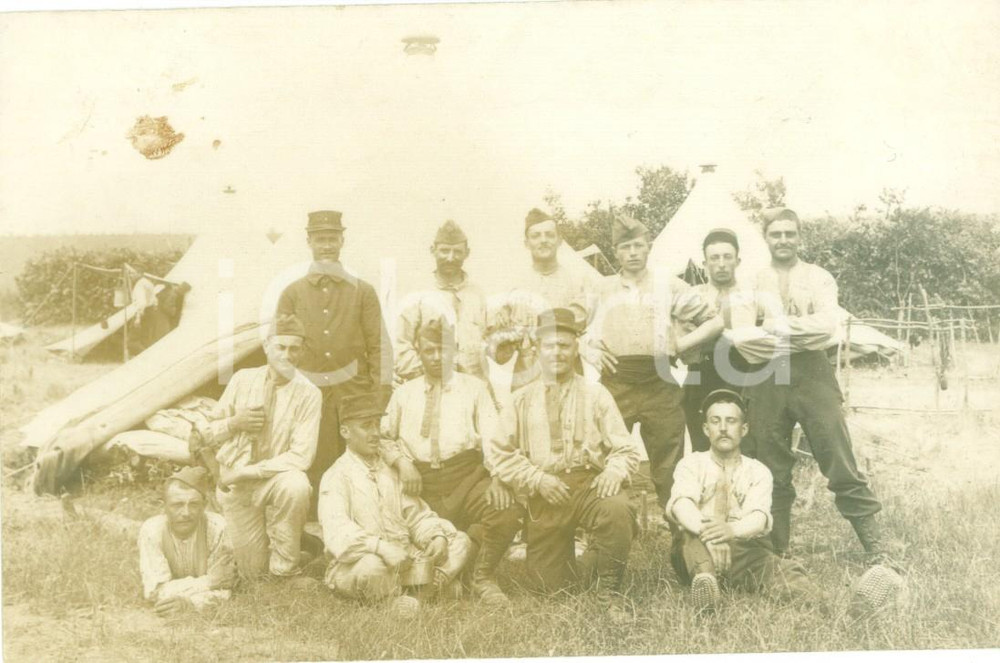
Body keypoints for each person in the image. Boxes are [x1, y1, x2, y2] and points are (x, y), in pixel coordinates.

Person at [727, 207, 886, 559]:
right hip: (765, 375)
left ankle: (877, 549)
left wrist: (773, 326)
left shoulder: (819, 278)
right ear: (766, 238)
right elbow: (743, 337)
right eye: (776, 234)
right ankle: (775, 552)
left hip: (813, 374)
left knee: (837, 455)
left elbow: (827, 327)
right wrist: (799, 333)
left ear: (800, 236)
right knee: (769, 464)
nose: (783, 240)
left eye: (790, 233)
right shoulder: (750, 281)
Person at [490, 308, 639, 614]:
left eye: (564, 345)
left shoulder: (596, 394)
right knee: (550, 589)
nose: (557, 352)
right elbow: (499, 453)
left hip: (589, 484)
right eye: (549, 345)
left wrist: (614, 470)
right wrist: (537, 479)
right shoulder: (520, 399)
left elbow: (626, 448)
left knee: (617, 509)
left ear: (575, 349)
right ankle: (592, 557)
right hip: (547, 490)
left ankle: (608, 589)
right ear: (537, 349)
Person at [382, 318, 524, 605]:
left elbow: (493, 439)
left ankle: (480, 576)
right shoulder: (403, 394)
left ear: (455, 349)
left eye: (443, 349)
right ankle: (435, 575)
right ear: (418, 353)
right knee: (398, 525)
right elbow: (383, 437)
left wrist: (498, 478)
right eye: (429, 350)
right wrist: (402, 463)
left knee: (505, 508)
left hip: (464, 477)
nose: (436, 357)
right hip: (418, 482)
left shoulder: (474, 388)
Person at [588, 213, 722, 509]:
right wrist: (589, 349)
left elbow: (714, 321)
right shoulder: (602, 288)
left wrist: (681, 344)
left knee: (669, 466)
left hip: (659, 381)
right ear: (615, 252)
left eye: (638, 245)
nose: (633, 253)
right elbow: (570, 326)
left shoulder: (668, 285)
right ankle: (613, 524)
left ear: (649, 247)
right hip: (615, 382)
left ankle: (678, 526)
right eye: (625, 247)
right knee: (606, 458)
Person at [276, 210, 393, 512]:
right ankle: (317, 527)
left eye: (332, 238)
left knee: (358, 466)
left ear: (342, 240)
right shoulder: (292, 293)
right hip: (310, 395)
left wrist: (380, 393)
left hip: (354, 392)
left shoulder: (363, 291)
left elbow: (379, 344)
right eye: (320, 239)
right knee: (315, 462)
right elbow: (281, 350)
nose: (326, 245)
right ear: (309, 241)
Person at [667, 389, 824, 613]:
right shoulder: (691, 464)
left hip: (741, 550)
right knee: (689, 539)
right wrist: (710, 534)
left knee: (783, 571)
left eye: (731, 421)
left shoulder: (758, 471)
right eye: (715, 421)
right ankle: (706, 587)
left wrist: (729, 531)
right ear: (706, 429)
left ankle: (845, 606)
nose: (723, 428)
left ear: (744, 429)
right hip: (696, 546)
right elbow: (681, 504)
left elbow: (758, 517)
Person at [318, 392, 472, 614]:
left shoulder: (391, 470)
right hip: (358, 562)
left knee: (459, 540)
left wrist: (435, 536)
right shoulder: (336, 476)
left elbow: (417, 517)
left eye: (377, 424)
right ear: (345, 432)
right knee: (371, 568)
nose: (375, 433)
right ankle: (428, 590)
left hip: (405, 559)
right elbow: (338, 533)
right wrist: (381, 548)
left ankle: (417, 596)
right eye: (366, 426)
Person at [207, 314, 321, 578]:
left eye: (294, 348)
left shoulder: (309, 393)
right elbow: (208, 432)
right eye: (281, 347)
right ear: (267, 346)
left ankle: (285, 567)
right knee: (253, 574)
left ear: (302, 351)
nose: (287, 355)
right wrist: (234, 423)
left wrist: (244, 472)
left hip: (273, 479)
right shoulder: (242, 380)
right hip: (237, 484)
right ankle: (302, 545)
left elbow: (301, 456)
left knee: (296, 485)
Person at [489, 208, 600, 390]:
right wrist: (503, 328)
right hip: (528, 372)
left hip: (567, 371)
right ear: (526, 243)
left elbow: (578, 321)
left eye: (549, 235)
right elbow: (500, 352)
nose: (543, 240)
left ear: (560, 240)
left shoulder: (578, 281)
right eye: (536, 236)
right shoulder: (514, 286)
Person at [682, 228, 757, 452]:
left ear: (738, 261)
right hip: (701, 372)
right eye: (714, 258)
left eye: (727, 257)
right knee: (702, 442)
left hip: (744, 373)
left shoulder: (753, 295)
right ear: (705, 263)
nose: (721, 264)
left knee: (746, 442)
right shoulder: (692, 296)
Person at [394, 220, 488, 382]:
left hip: (474, 386)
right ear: (433, 250)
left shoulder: (477, 294)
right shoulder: (416, 295)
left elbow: (488, 344)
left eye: (457, 252)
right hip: (431, 386)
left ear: (467, 253)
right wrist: (431, 375)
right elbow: (400, 347)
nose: (450, 258)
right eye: (444, 251)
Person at [138, 467, 235, 616]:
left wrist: (192, 605)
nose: (186, 513)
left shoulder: (217, 528)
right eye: (177, 505)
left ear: (204, 505)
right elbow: (155, 591)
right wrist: (208, 582)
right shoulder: (153, 530)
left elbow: (224, 587)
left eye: (194, 504)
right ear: (163, 506)